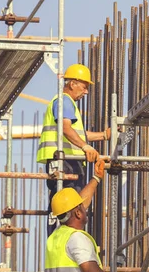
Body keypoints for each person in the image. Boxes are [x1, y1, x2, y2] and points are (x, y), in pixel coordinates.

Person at [37, 64, 111, 234]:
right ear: (73, 84)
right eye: (84, 87)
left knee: (72, 204)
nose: (86, 92)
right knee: (69, 206)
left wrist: (103, 136)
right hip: (65, 162)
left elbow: (79, 134)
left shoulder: (66, 104)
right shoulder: (64, 101)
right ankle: (64, 236)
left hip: (68, 161)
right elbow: (66, 128)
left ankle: (60, 234)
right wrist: (85, 147)